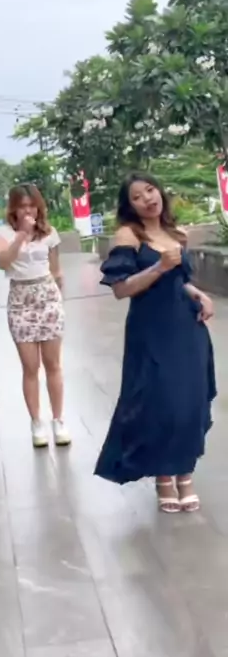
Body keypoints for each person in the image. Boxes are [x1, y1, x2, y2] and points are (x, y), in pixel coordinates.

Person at [95, 172, 216, 513]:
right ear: (129, 205)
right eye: (137, 196)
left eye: (150, 190)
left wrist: (198, 293)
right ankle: (164, 478)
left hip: (187, 328)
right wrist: (159, 267)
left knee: (190, 404)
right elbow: (121, 289)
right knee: (162, 405)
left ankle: (185, 476)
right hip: (150, 331)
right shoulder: (128, 235)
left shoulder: (178, 234)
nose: (148, 198)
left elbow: (179, 281)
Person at [0, 184, 70, 448]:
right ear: (13, 208)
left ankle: (58, 419)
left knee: (53, 364)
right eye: (22, 206)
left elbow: (56, 270)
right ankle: (36, 422)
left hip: (47, 297)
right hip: (20, 299)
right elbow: (3, 262)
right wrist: (21, 236)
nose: (27, 211)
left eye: (31, 205)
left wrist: (59, 300)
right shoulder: (2, 233)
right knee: (30, 366)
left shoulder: (49, 233)